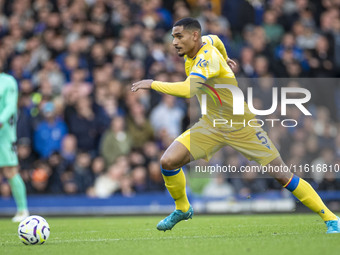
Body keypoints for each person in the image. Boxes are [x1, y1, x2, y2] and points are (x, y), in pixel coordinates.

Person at [131, 18, 340, 233]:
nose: (174, 42)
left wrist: (152, 84)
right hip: (211, 124)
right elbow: (218, 39)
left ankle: (332, 218)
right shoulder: (207, 43)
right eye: (173, 37)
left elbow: (188, 90)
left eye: (179, 36)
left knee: (283, 175)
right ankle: (183, 209)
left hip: (242, 126)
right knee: (168, 161)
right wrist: (226, 58)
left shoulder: (207, 57)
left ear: (194, 36)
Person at [0, 72, 29, 222]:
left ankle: (23, 210)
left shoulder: (7, 81)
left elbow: (11, 105)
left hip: (3, 134)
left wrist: (1, 120)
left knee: (10, 171)